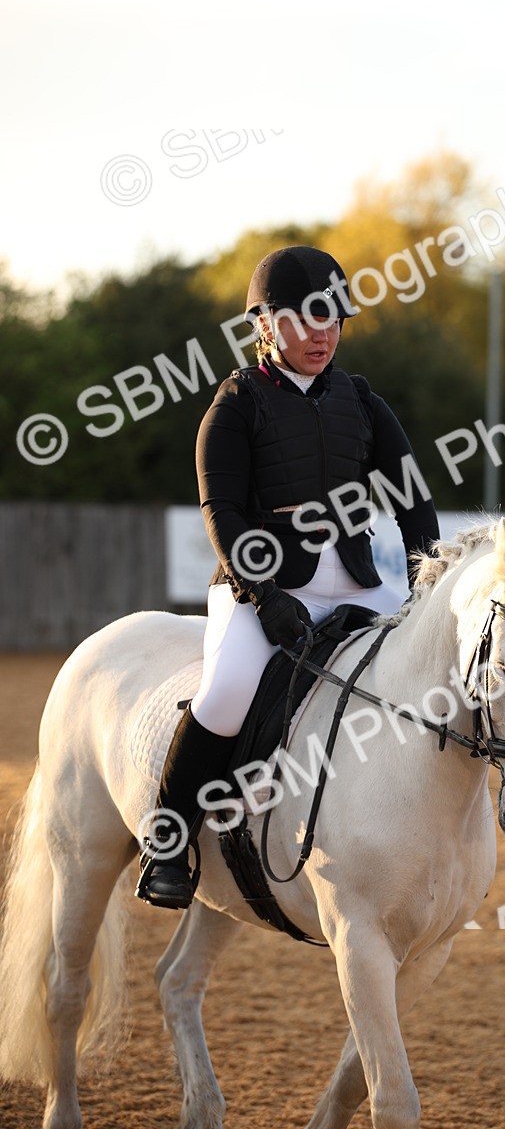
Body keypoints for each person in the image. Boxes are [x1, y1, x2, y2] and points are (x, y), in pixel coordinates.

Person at [136, 245, 440, 908]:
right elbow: (222, 510)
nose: (321, 332)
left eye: (331, 318)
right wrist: (264, 596)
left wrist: (428, 575)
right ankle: (168, 840)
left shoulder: (361, 400)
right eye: (304, 319)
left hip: (358, 585)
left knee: (430, 669)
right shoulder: (237, 402)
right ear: (266, 323)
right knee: (225, 693)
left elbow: (411, 494)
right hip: (258, 589)